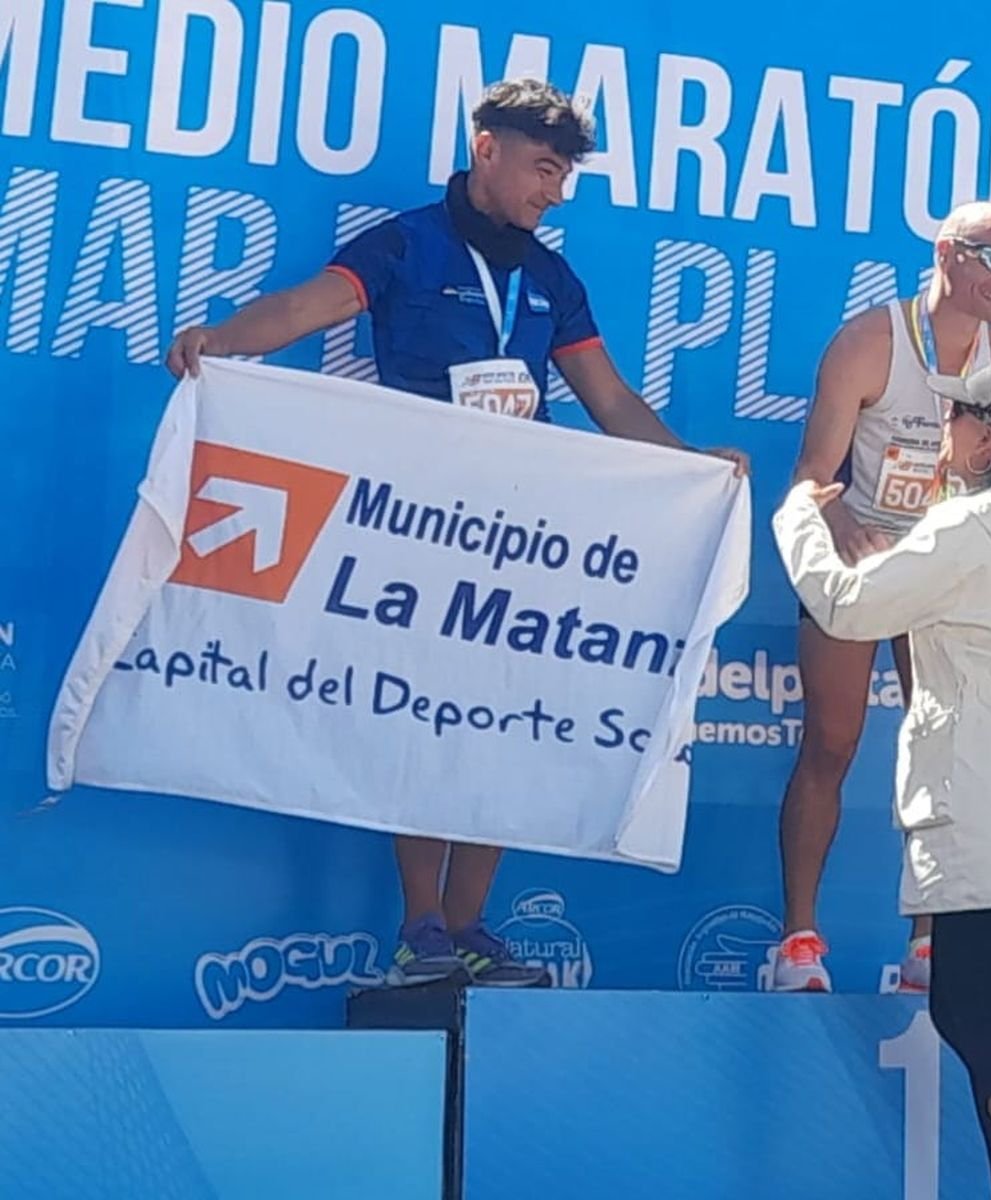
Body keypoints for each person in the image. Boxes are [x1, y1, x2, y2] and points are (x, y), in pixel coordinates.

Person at [166, 78, 747, 989]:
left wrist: (693, 467)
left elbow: (609, 400)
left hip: (524, 535)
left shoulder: (553, 277)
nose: (554, 192)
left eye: (565, 177)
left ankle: (472, 922)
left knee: (506, 720)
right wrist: (223, 340)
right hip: (425, 527)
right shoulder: (408, 242)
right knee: (428, 716)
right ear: (489, 150)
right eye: (544, 169)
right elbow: (304, 309)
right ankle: (420, 925)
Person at [774, 357, 991, 1200]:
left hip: (974, 798)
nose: (943, 429)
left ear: (990, 440)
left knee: (979, 1016)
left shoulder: (964, 532)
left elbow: (849, 607)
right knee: (973, 1012)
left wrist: (799, 521)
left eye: (958, 418)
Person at [774, 201, 991, 993]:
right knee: (832, 741)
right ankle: (797, 943)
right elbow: (812, 473)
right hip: (862, 562)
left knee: (941, 756)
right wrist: (842, 516)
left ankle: (926, 946)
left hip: (942, 572)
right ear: (948, 254)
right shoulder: (869, 342)